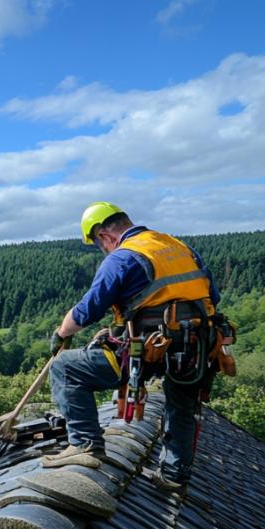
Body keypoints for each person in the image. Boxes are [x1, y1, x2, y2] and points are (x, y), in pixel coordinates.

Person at [42, 202, 221, 492]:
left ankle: (85, 445)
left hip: (147, 348)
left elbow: (89, 308)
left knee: (66, 368)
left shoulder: (122, 257)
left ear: (104, 235)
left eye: (100, 244)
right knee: (182, 404)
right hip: (197, 346)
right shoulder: (178, 247)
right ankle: (174, 476)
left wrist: (61, 333)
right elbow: (213, 295)